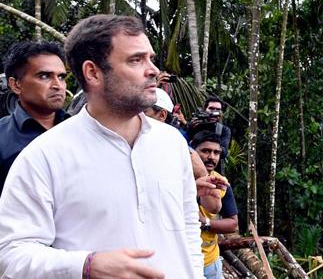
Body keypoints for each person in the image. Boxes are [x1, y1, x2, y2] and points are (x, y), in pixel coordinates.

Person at [0, 15, 203, 278]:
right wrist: (85, 265)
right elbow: (10, 254)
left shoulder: (172, 142)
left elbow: (187, 228)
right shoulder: (44, 155)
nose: (152, 69)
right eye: (135, 60)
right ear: (93, 72)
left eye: (150, 58)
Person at [0, 41, 69, 195]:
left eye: (61, 77)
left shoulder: (81, 131)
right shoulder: (2, 137)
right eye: (44, 76)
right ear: (16, 85)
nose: (58, 85)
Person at [144, 88, 226, 214]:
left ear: (162, 115)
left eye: (144, 111)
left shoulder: (179, 147)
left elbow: (214, 206)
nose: (137, 117)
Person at [190, 131, 239, 279]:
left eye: (216, 152)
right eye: (205, 151)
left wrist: (205, 222)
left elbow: (233, 224)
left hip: (209, 263)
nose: (211, 157)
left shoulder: (221, 183)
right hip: (182, 260)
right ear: (192, 152)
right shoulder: (176, 179)